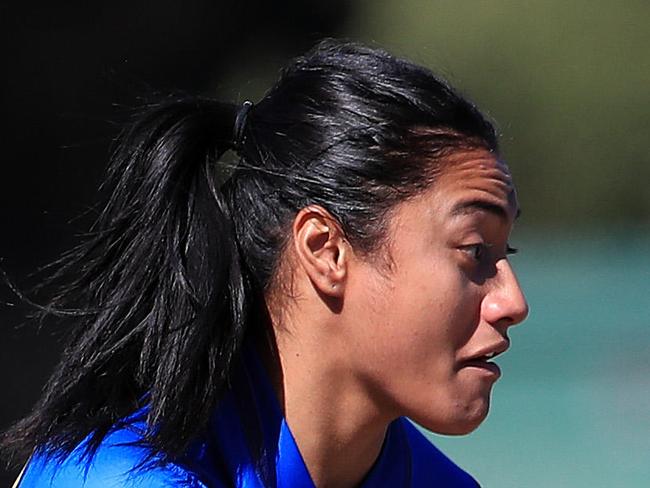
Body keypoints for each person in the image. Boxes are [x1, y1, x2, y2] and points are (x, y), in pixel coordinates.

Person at [5, 38, 528, 487]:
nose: (513, 302)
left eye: (504, 255)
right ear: (326, 250)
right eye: (476, 252)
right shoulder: (124, 477)